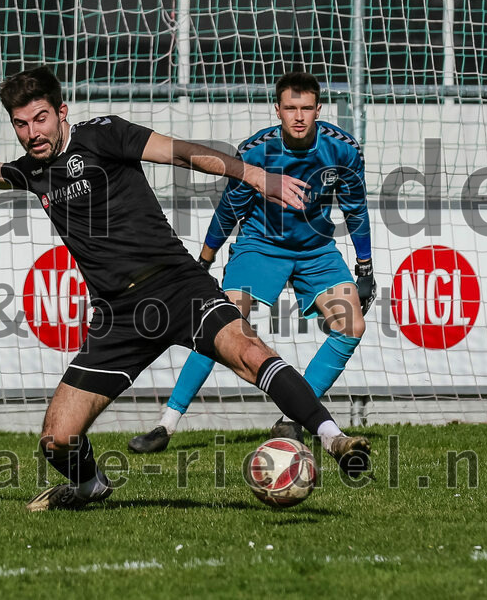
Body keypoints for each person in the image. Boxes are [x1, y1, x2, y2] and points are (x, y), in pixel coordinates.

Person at [0, 66, 371, 512]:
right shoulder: (35, 171)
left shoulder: (104, 134)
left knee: (249, 350)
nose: (32, 133)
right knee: (57, 440)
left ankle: (334, 439)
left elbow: (183, 154)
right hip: (119, 317)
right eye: (20, 123)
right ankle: (89, 487)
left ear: (62, 111)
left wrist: (255, 175)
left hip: (176, 285)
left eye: (40, 118)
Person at [129, 71, 375, 454]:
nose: (298, 116)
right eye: (290, 108)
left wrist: (365, 268)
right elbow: (229, 212)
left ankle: (294, 418)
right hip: (259, 246)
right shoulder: (256, 151)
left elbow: (356, 209)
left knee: (352, 324)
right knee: (222, 323)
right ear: (276, 109)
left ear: (318, 109)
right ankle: (167, 424)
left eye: (306, 108)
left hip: (316, 250)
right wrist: (203, 261)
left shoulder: (343, 149)